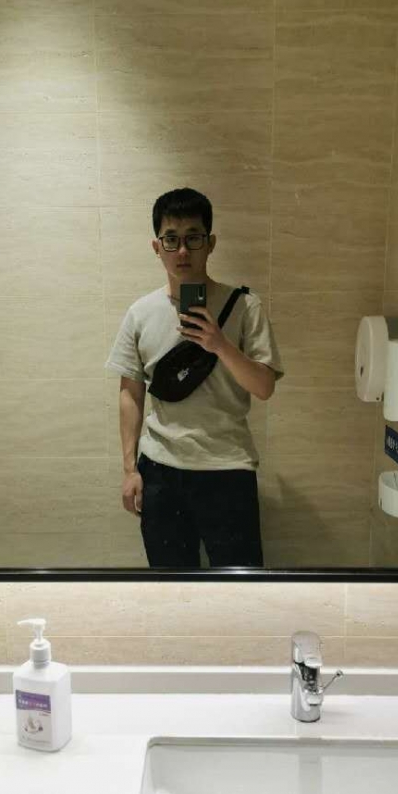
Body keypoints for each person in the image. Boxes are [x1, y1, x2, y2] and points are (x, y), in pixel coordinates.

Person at [105, 187, 283, 568]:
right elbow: (130, 394)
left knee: (240, 584)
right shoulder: (140, 313)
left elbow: (264, 387)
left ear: (210, 243)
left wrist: (220, 344)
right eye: (171, 239)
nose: (182, 250)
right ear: (157, 247)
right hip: (160, 470)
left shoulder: (245, 307)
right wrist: (129, 470)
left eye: (193, 238)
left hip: (228, 469)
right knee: (170, 587)